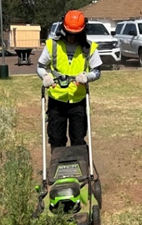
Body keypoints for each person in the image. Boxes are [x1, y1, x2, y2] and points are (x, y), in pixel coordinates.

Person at [37, 10, 102, 147]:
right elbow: (40, 66)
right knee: (56, 138)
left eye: (76, 34)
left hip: (78, 100)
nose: (72, 37)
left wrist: (87, 77)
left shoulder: (89, 48)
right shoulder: (52, 45)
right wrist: (45, 76)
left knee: (78, 139)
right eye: (69, 34)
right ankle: (57, 165)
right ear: (63, 29)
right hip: (56, 100)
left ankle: (80, 164)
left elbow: (97, 72)